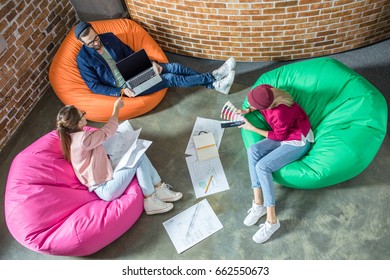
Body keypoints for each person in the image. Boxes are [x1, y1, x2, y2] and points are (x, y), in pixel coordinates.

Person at [56, 97, 182, 215]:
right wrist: (116, 109)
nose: (85, 114)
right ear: (78, 124)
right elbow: (107, 131)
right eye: (82, 113)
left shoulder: (73, 138)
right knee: (137, 157)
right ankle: (150, 199)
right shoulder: (83, 139)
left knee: (138, 151)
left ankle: (159, 187)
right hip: (106, 189)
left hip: (104, 177)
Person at [74, 21, 236, 97]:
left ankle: (214, 84)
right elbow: (94, 86)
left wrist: (149, 64)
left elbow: (129, 53)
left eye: (96, 38)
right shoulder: (83, 59)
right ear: (82, 43)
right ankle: (213, 77)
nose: (96, 43)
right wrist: (120, 91)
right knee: (170, 78)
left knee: (175, 67)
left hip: (133, 69)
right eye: (91, 42)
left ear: (95, 31)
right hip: (127, 85)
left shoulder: (108, 37)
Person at [238, 84, 314, 243]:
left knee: (262, 166)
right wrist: (248, 110)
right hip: (284, 133)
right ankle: (259, 204)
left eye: (254, 106)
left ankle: (272, 221)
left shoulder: (280, 112)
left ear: (268, 106)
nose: (250, 105)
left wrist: (251, 128)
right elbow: (258, 103)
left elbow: (278, 136)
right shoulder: (266, 90)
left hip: (296, 140)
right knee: (252, 151)